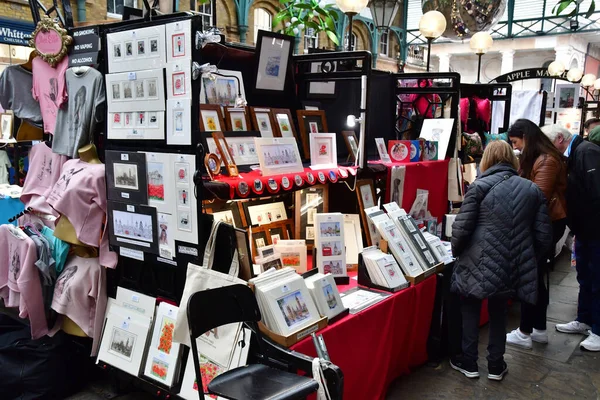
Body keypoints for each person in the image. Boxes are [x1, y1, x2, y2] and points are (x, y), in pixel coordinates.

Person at [450, 141, 552, 381]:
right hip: (512, 262)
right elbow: (544, 236)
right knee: (499, 313)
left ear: (487, 159)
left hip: (477, 259)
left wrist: (457, 251)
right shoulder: (532, 189)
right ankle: (496, 365)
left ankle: (469, 363)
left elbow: (462, 228)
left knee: (470, 309)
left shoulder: (478, 187)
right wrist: (527, 256)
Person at [505, 119, 568, 349]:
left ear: (526, 137)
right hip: (546, 223)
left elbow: (537, 197)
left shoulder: (547, 160)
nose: (516, 147)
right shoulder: (541, 158)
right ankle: (538, 329)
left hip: (545, 224)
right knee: (536, 276)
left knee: (530, 276)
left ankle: (524, 331)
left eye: (516, 142)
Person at [543, 124, 600, 351]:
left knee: (596, 279)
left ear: (559, 139)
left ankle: (597, 329)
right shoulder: (577, 154)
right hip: (586, 230)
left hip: (595, 230)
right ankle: (585, 319)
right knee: (586, 277)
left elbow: (595, 193)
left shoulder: (586, 152)